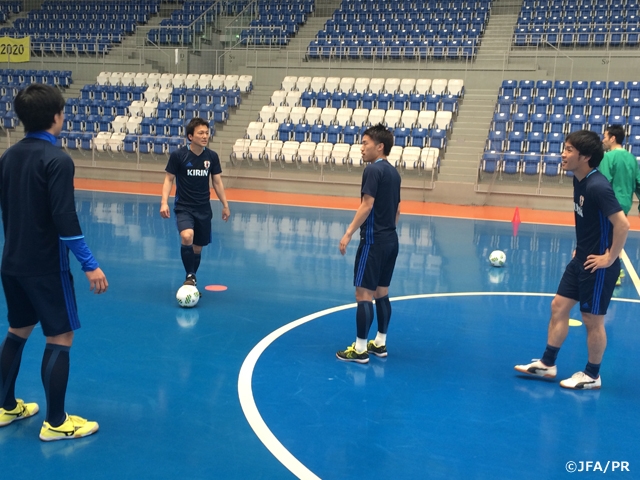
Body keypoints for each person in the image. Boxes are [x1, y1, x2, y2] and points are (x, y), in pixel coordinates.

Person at [0, 84, 108, 441]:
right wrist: (89, 264)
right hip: (46, 266)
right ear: (57, 116)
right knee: (60, 337)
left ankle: (5, 406)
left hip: (12, 262)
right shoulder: (57, 159)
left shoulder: (9, 156)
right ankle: (57, 423)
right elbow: (65, 220)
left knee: (17, 331)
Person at [515, 130, 630, 390]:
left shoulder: (598, 186)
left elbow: (623, 225)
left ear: (585, 156)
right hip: (581, 259)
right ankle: (547, 363)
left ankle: (592, 375)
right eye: (564, 148)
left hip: (597, 265)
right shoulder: (579, 180)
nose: (562, 154)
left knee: (592, 320)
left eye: (568, 150)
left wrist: (610, 258)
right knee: (558, 306)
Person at [336, 124, 401, 364]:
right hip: (391, 240)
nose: (361, 148)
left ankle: (360, 349)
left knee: (363, 294)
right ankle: (380, 343)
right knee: (381, 293)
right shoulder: (394, 173)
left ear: (379, 146)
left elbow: (367, 204)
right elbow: (397, 210)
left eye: (365, 143)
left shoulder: (373, 171)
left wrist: (349, 233)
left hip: (373, 241)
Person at [160, 117, 230, 287]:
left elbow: (217, 182)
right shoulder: (179, 155)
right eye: (201, 133)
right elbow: (169, 179)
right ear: (190, 136)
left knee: (197, 248)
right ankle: (190, 275)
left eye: (207, 132)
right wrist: (164, 202)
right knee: (186, 236)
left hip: (204, 209)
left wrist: (225, 205)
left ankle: (190, 277)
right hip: (184, 207)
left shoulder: (211, 157)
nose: (205, 136)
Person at [600, 124, 640, 285]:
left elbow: (603, 183)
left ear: (612, 138)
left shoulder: (607, 157)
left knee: (606, 238)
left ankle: (613, 270)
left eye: (605, 136)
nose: (603, 139)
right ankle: (617, 268)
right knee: (616, 236)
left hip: (609, 205)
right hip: (625, 204)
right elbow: (638, 183)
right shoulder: (631, 158)